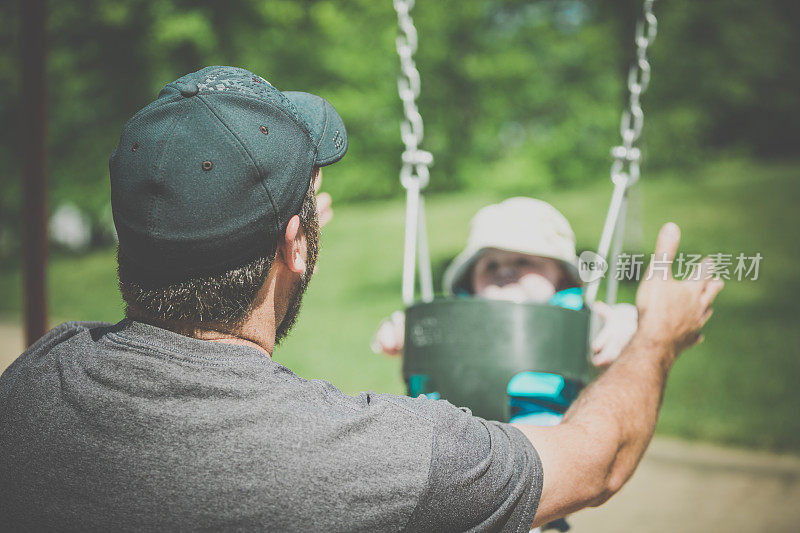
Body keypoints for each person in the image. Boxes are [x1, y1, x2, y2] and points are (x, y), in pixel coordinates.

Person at [0, 66, 723, 532]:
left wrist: (285, 244)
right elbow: (596, 462)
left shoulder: (34, 385)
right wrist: (656, 337)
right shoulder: (379, 457)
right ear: (297, 244)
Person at [373, 197, 638, 368]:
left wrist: (622, 323)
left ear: (560, 276)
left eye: (523, 261)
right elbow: (426, 322)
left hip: (550, 430)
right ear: (471, 281)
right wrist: (401, 329)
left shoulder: (575, 314)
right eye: (491, 265)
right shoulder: (459, 316)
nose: (504, 271)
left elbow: (630, 320)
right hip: (464, 429)